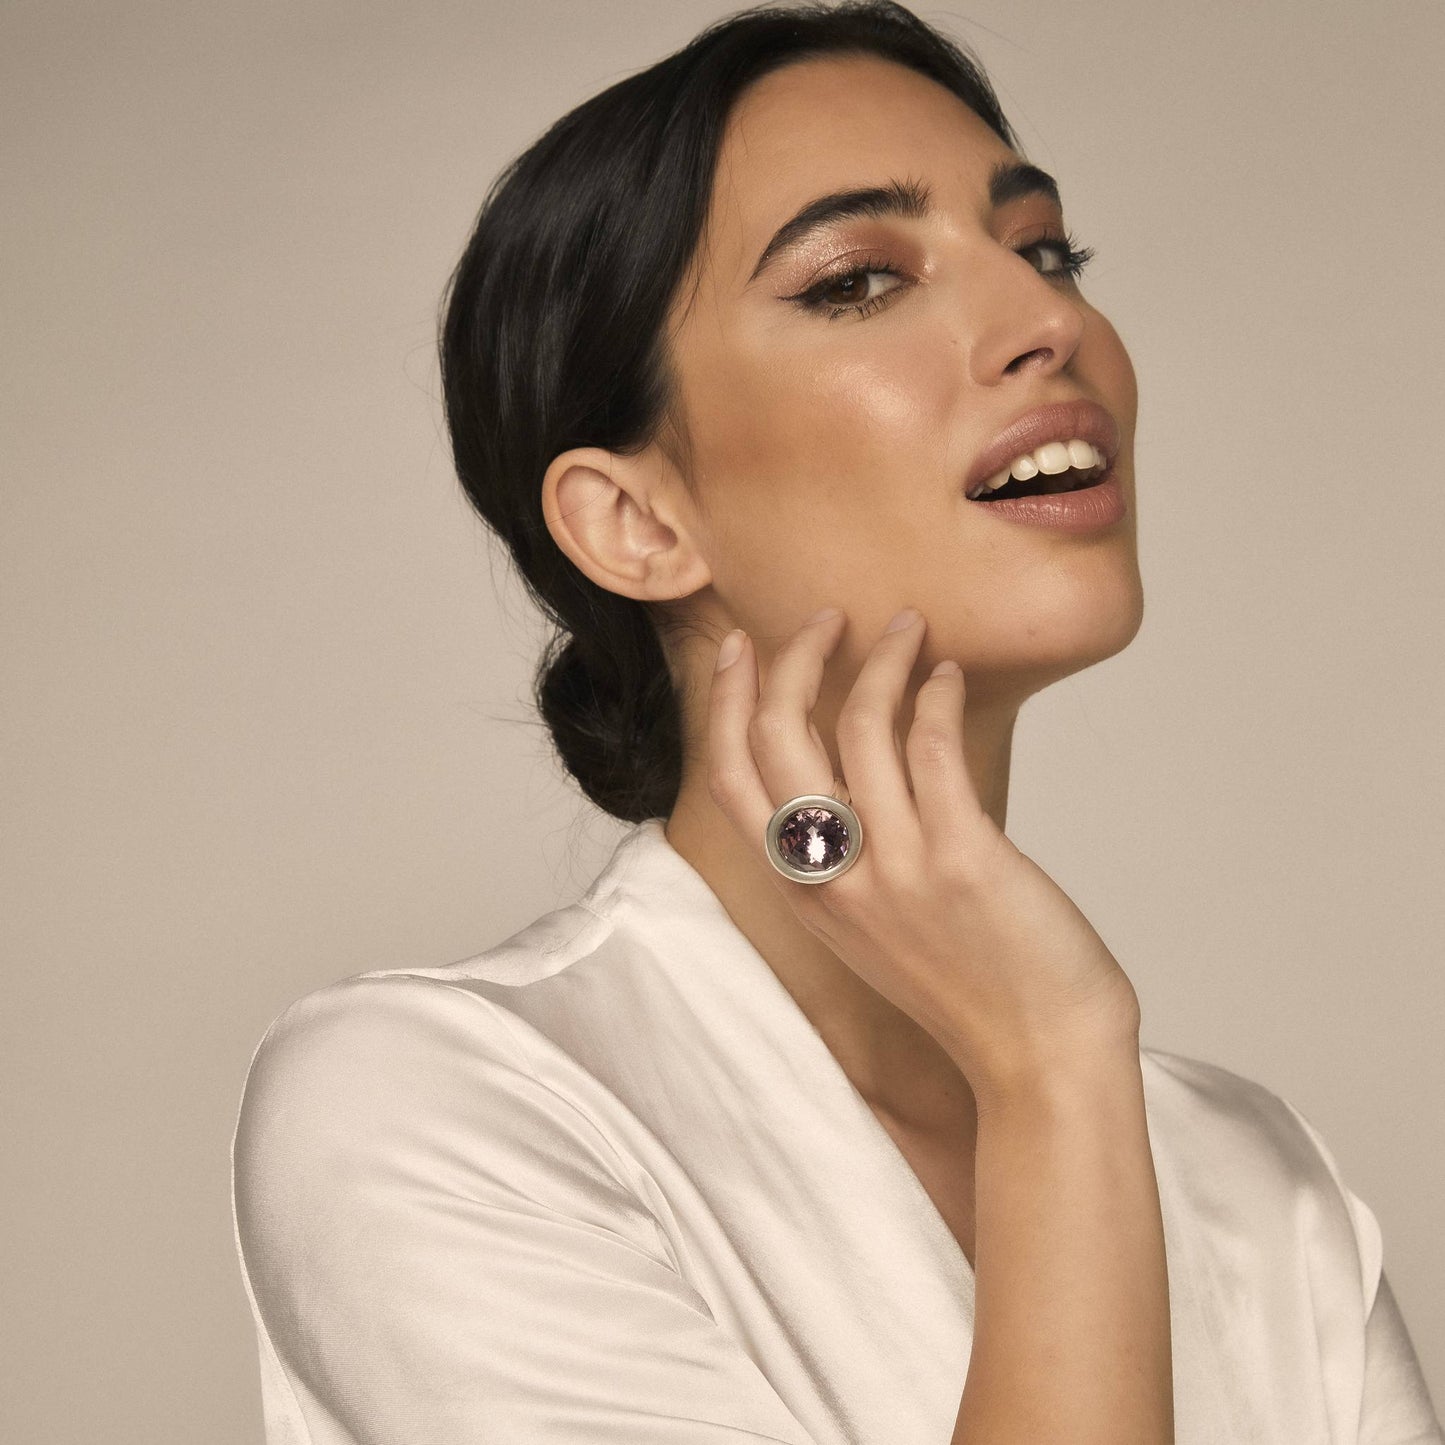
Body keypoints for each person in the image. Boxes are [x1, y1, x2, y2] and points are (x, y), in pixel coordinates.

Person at [229, 3, 1442, 1440]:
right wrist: (1052, 1063)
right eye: (860, 280)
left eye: (1045, 250)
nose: (1051, 321)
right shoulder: (438, 1104)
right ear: (633, 521)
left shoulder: (1255, 1180)